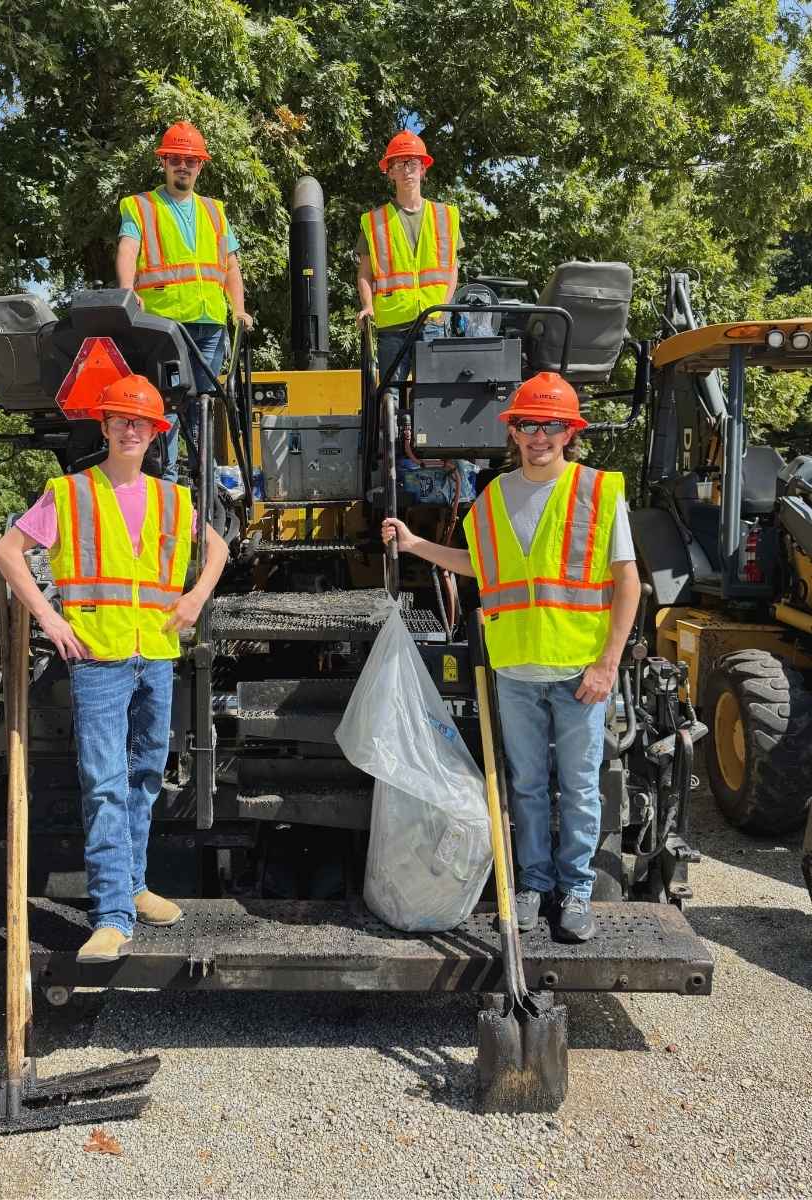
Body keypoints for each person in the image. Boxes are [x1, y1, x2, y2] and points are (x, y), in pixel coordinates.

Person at [381, 372, 640, 941]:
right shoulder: (494, 495)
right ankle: (532, 885)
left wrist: (607, 665)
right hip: (515, 670)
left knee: (578, 787)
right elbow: (482, 568)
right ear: (514, 432)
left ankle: (574, 891)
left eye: (551, 426)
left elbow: (629, 584)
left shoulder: (596, 491)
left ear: (569, 432)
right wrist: (414, 544)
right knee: (523, 785)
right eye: (528, 425)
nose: (539, 436)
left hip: (579, 671)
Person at [0, 374, 229, 962]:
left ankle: (135, 886)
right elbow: (7, 552)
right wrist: (51, 620)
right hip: (98, 656)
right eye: (120, 419)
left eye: (140, 422)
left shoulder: (173, 497)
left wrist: (195, 599)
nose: (130, 429)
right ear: (104, 427)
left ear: (155, 433)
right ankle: (110, 915)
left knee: (146, 776)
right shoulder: (70, 492)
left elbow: (218, 549)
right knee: (103, 784)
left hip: (155, 655)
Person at [115, 121, 252, 481]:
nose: (183, 166)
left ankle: (204, 485)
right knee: (168, 407)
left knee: (203, 408)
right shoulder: (141, 206)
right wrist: (128, 293)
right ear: (164, 162)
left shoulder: (215, 211)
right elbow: (128, 249)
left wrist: (237, 309)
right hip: (165, 327)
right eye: (175, 159)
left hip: (209, 327)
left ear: (200, 166)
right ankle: (167, 484)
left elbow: (231, 265)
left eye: (190, 160)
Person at [356, 131, 462, 387]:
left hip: (434, 320)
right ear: (389, 172)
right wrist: (368, 306)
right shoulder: (374, 221)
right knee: (390, 395)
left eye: (412, 163)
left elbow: (452, 267)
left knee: (433, 396)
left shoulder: (446, 216)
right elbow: (364, 273)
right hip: (392, 324)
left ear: (423, 169)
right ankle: (392, 429)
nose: (407, 171)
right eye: (399, 165)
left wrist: (444, 308)